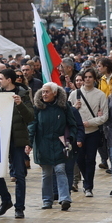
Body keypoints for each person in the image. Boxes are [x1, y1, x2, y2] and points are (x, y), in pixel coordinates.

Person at [27, 83, 80, 211]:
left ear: (55, 93)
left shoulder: (64, 107)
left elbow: (73, 125)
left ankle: (65, 198)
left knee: (60, 170)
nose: (44, 94)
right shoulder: (38, 108)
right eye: (43, 92)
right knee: (46, 174)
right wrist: (29, 143)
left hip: (59, 144)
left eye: (47, 92)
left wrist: (71, 138)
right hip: (43, 145)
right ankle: (47, 200)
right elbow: (32, 126)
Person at [0, 90, 34, 218]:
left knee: (19, 174)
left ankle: (19, 207)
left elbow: (30, 117)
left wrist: (20, 104)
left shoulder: (23, 94)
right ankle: (6, 200)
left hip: (16, 141)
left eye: (1, 78)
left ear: (8, 80)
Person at [72, 67, 108, 198]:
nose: (87, 80)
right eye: (85, 77)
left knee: (91, 160)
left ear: (94, 79)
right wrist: (74, 108)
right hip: (78, 133)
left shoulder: (100, 95)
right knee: (80, 159)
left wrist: (90, 122)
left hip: (93, 132)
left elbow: (104, 116)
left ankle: (88, 186)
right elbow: (68, 114)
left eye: (90, 77)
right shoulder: (74, 94)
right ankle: (85, 180)